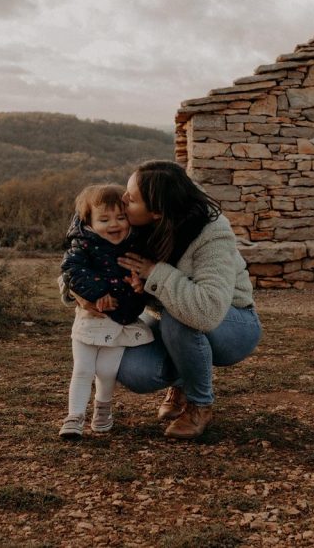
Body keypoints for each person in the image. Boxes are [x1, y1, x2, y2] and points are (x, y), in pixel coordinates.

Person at [112, 160, 261, 439]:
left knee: (178, 319)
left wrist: (155, 272)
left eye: (131, 199)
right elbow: (85, 253)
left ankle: (199, 405)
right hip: (173, 318)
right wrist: (77, 292)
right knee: (133, 370)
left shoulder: (211, 233)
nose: (122, 201)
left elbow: (207, 311)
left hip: (233, 323)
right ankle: (182, 378)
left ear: (157, 211)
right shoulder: (130, 224)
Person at [58, 184, 153, 439]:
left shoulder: (135, 246)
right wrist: (98, 293)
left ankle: (102, 409)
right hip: (91, 319)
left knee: (108, 370)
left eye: (120, 217)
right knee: (83, 368)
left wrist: (138, 287)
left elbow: (142, 284)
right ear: (88, 222)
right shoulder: (83, 246)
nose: (114, 224)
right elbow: (72, 272)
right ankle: (74, 416)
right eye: (104, 219)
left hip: (120, 321)